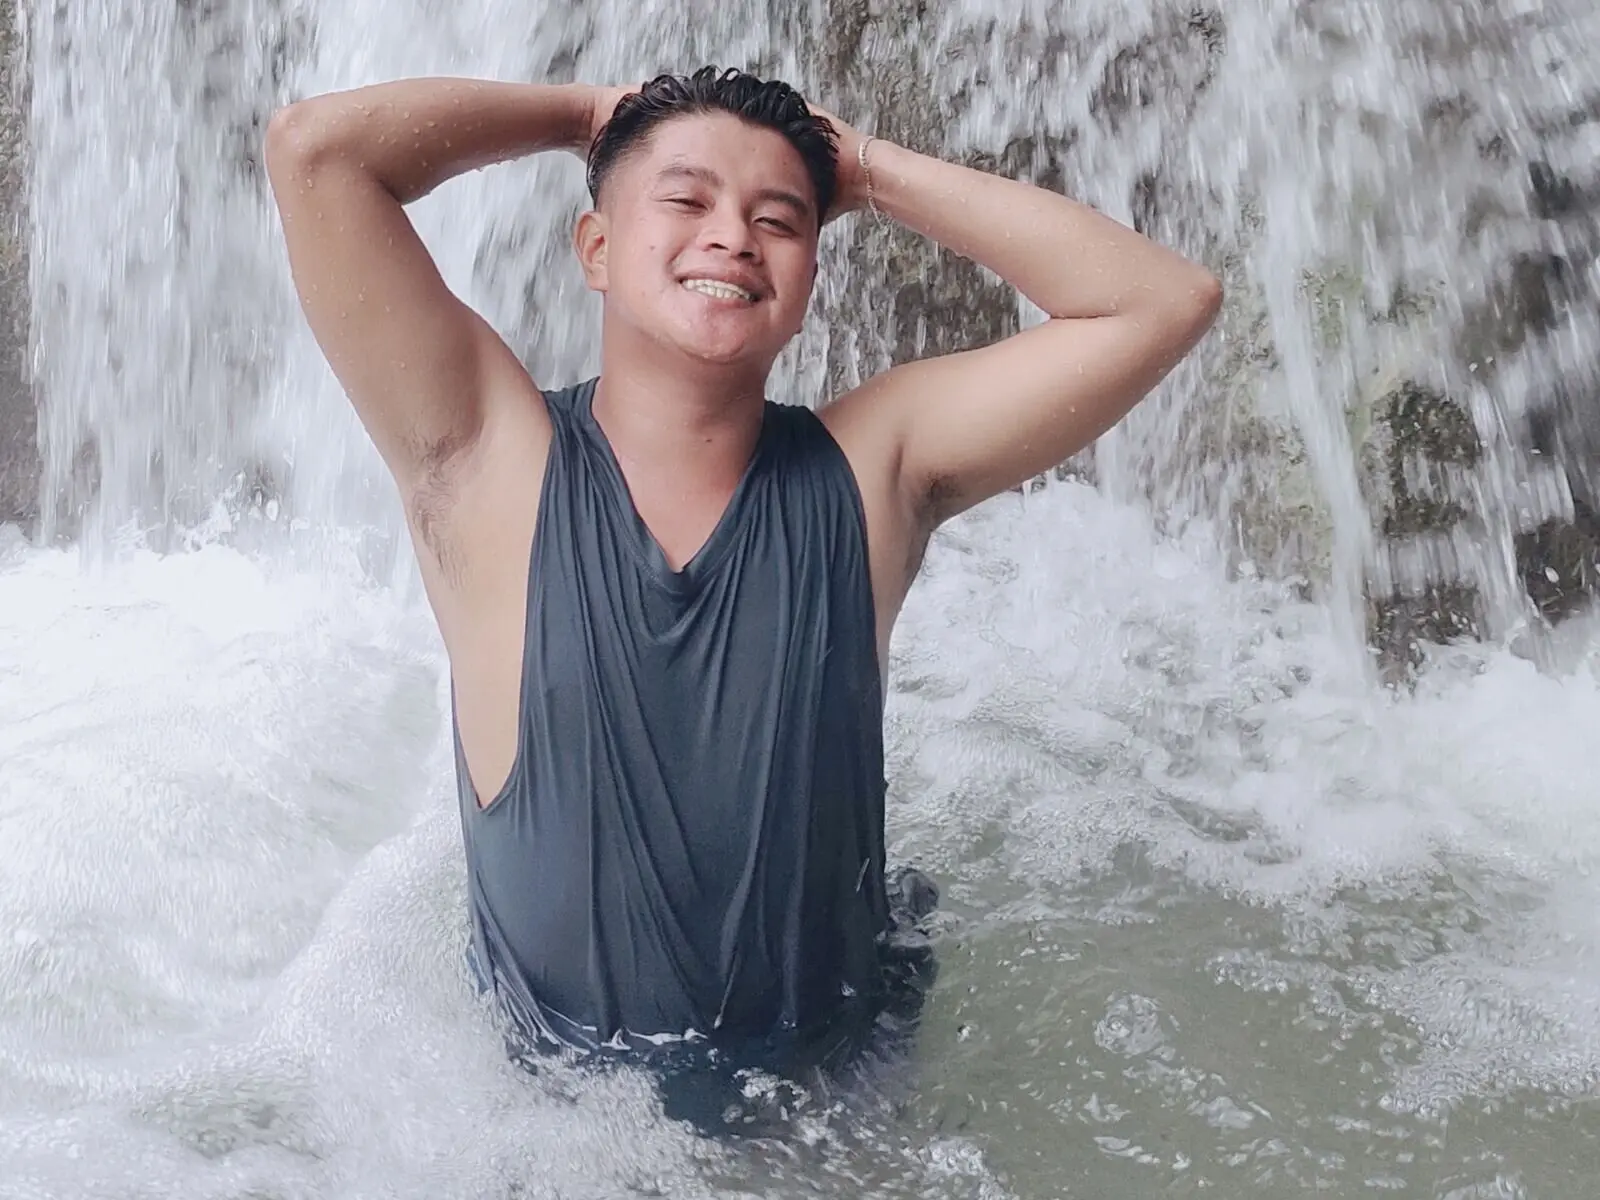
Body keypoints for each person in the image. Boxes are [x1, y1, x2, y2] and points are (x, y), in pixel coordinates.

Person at [264, 66, 1220, 1109]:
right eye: (685, 200)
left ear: (810, 278)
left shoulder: (874, 470)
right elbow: (318, 155)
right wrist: (582, 118)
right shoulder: (486, 458)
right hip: (553, 1119)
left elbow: (1162, 301)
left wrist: (870, 171)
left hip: (836, 1109)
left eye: (778, 221)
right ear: (595, 248)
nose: (731, 237)